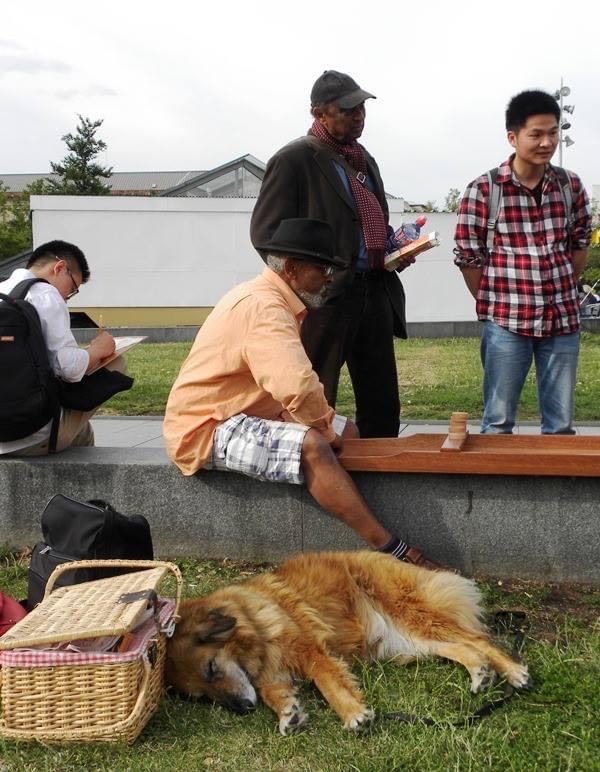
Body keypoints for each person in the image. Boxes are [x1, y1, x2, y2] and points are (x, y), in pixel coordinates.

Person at [164, 218, 442, 569]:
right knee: (314, 443)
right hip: (206, 427)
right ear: (292, 269)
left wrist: (332, 428)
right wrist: (325, 429)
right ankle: (391, 549)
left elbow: (291, 388)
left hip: (245, 411)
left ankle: (356, 507)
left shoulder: (269, 297)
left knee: (349, 431)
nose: (329, 277)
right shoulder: (264, 307)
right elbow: (295, 385)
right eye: (323, 267)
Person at [250, 70, 415, 439]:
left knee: (382, 400)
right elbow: (265, 233)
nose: (358, 115)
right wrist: (303, 285)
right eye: (347, 109)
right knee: (317, 395)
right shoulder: (294, 159)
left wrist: (392, 249)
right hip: (324, 299)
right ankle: (319, 470)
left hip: (375, 290)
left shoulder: (363, 159)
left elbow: (367, 222)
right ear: (318, 113)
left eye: (361, 107)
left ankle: (384, 474)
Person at [454, 89, 592, 435]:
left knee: (560, 425)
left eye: (553, 132)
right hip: (505, 322)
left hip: (562, 320)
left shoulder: (569, 185)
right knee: (498, 421)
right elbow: (469, 258)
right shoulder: (484, 190)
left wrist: (562, 290)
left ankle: (560, 489)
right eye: (537, 134)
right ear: (513, 137)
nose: (547, 142)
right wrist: (494, 303)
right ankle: (492, 489)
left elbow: (579, 245)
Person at [0, 239, 122, 455]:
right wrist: (98, 350)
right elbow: (70, 370)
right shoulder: (46, 295)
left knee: (81, 430)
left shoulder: (2, 289)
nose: (66, 298)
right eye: (73, 289)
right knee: (118, 363)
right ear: (59, 268)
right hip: (27, 434)